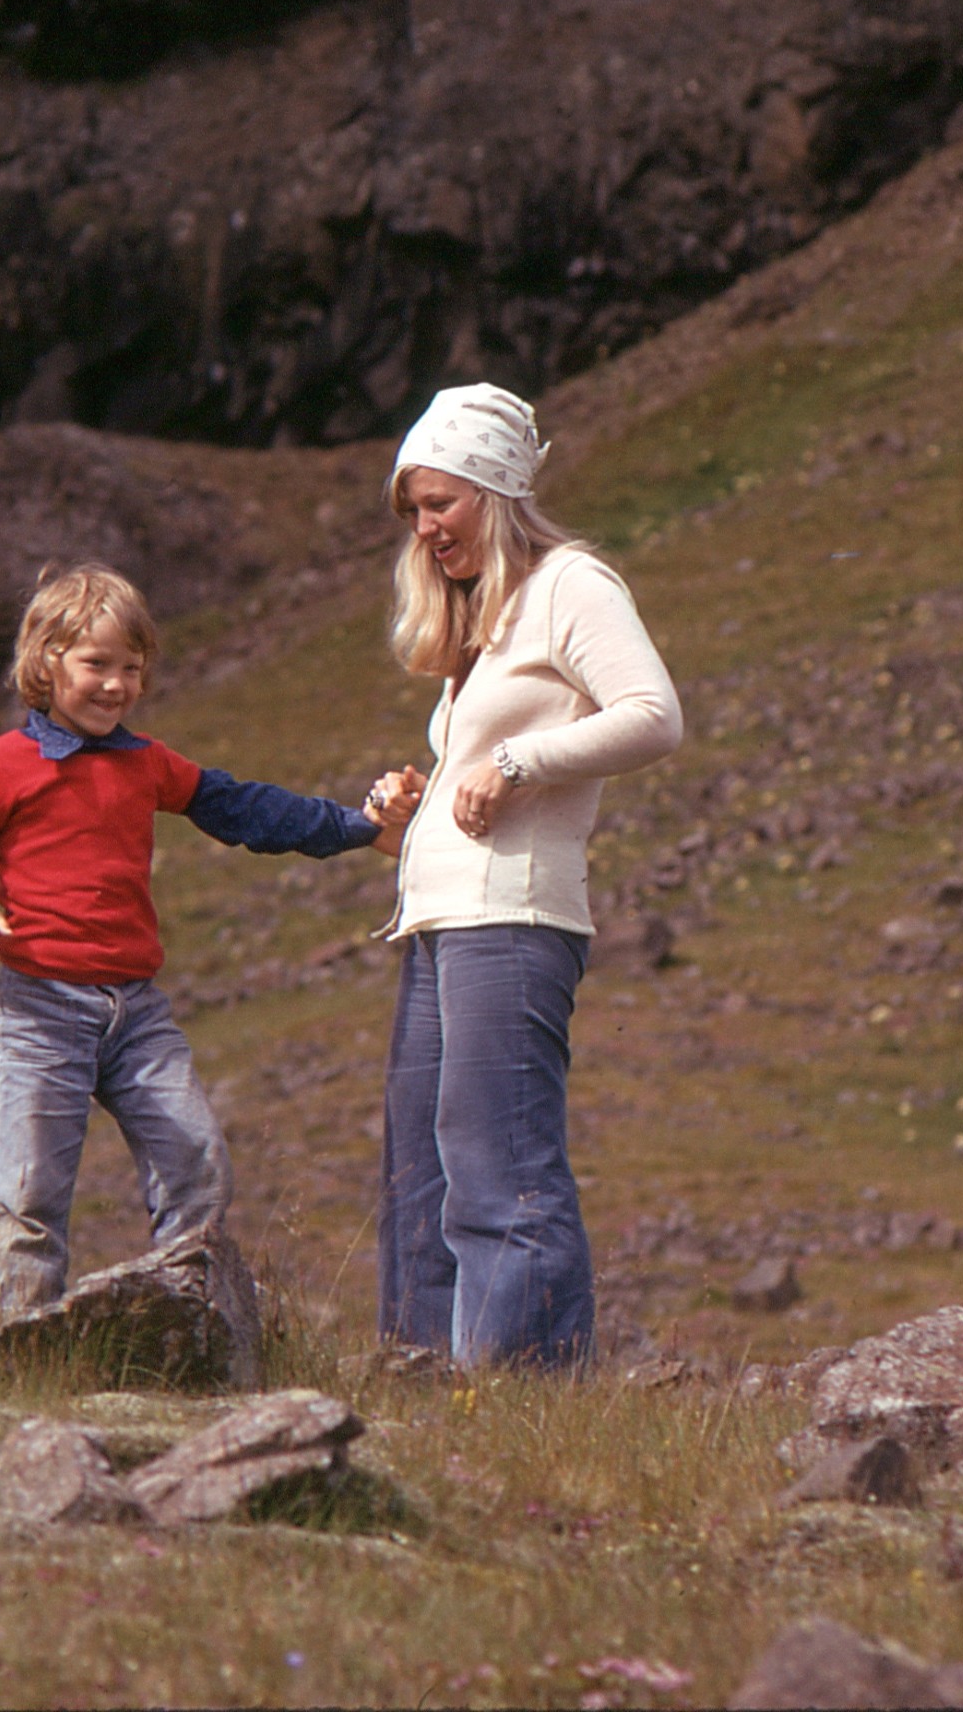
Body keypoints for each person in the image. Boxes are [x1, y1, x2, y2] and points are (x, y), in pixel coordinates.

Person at [0, 562, 389, 1321]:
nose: (116, 685)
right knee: (31, 1196)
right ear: (46, 662)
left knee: (197, 1165)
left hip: (136, 1013)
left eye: (131, 669)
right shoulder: (1, 764)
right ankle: (15, 1351)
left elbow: (243, 809)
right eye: (96, 664)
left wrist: (357, 828)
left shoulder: (146, 763)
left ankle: (190, 1329)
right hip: (40, 1010)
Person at [368, 383, 682, 1369]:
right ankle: (424, 1390)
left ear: (496, 490)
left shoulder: (571, 585)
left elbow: (653, 715)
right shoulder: (485, 617)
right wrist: (416, 801)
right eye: (413, 510)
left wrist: (513, 763)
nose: (425, 529)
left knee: (497, 1166)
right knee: (420, 1172)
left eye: (441, 504)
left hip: (511, 921)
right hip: (442, 921)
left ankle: (519, 1392)